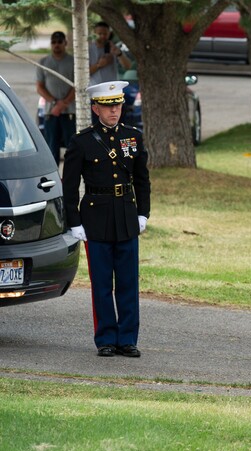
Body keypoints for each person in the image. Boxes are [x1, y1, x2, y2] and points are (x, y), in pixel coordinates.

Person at [63, 81, 151, 358]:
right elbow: (69, 185)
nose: (114, 111)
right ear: (95, 108)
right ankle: (105, 339)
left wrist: (142, 213)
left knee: (127, 282)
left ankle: (128, 339)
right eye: (108, 106)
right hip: (95, 218)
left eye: (118, 105)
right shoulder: (82, 141)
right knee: (102, 284)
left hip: (125, 215)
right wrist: (74, 221)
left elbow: (142, 179)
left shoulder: (132, 137)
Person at [36, 31, 76, 165]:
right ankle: (55, 181)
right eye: (54, 42)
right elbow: (40, 87)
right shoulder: (43, 62)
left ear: (65, 43)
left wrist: (63, 104)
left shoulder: (74, 62)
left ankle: (70, 180)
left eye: (59, 42)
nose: (56, 45)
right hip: (51, 113)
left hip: (70, 112)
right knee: (52, 148)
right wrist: (54, 103)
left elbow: (77, 86)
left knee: (72, 149)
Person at [89, 21, 132, 86]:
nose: (102, 36)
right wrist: (99, 65)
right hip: (96, 89)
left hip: (112, 88)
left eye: (105, 34)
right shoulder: (89, 49)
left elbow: (128, 66)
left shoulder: (113, 48)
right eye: (100, 34)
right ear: (95, 33)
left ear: (109, 34)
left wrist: (119, 54)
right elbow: (83, 73)